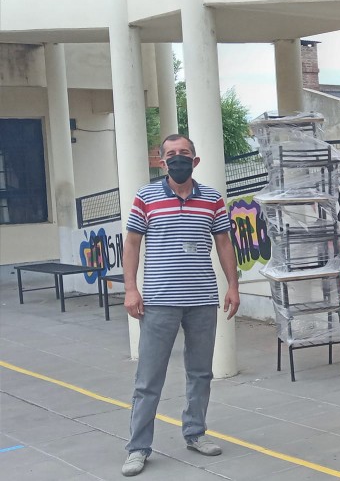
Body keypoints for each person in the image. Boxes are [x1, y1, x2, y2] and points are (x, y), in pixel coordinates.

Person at [121, 134, 240, 477]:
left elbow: (224, 243)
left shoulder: (213, 199)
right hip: (159, 301)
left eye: (184, 153)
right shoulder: (146, 197)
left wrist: (233, 286)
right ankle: (138, 447)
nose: (178, 158)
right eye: (171, 154)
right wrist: (131, 289)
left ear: (195, 160)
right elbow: (132, 244)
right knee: (148, 379)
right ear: (162, 162)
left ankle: (195, 432)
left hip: (202, 300)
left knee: (201, 373)